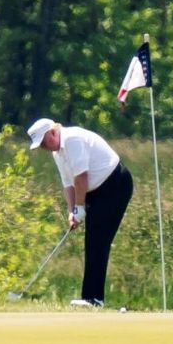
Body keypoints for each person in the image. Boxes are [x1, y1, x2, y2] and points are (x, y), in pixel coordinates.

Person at [27, 118, 133, 307]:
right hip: (95, 192)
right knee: (93, 240)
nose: (44, 147)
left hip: (115, 185)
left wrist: (80, 206)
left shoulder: (72, 139)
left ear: (52, 132)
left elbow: (81, 177)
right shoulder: (57, 152)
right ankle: (90, 297)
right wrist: (72, 211)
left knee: (98, 240)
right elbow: (68, 184)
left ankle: (94, 298)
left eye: (44, 142)